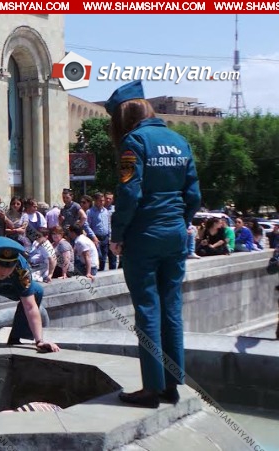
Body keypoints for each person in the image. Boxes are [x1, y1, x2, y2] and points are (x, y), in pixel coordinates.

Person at [106, 80, 201, 408]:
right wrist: (179, 222)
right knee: (171, 307)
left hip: (144, 236)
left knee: (148, 309)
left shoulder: (133, 142)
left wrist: (118, 234)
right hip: (175, 234)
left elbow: (129, 193)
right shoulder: (179, 141)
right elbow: (194, 195)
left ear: (123, 116)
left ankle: (150, 389)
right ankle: (171, 385)